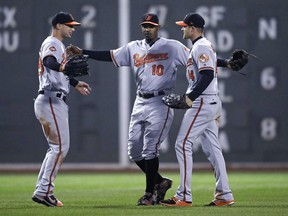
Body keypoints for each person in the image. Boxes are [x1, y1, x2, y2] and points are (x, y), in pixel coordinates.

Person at [66, 13, 233, 206]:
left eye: (151, 25)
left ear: (158, 27)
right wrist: (83, 52)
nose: (147, 28)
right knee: (135, 151)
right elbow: (110, 55)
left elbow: (202, 61)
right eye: (144, 25)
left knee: (160, 147)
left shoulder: (173, 46)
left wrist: (224, 64)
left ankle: (157, 194)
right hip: (141, 100)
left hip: (163, 101)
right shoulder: (133, 47)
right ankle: (168, 184)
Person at [160, 13, 235, 207]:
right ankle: (224, 194)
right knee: (213, 149)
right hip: (210, 102)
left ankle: (184, 195)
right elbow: (211, 64)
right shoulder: (202, 46)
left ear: (193, 28)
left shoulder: (201, 46)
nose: (182, 29)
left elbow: (207, 74)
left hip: (202, 101)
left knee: (182, 143)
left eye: (184, 26)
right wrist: (227, 63)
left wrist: (190, 97)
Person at [32, 11, 92, 207]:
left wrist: (74, 82)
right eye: (69, 25)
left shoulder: (58, 45)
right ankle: (44, 191)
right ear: (58, 25)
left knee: (56, 148)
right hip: (51, 100)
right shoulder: (53, 43)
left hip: (50, 99)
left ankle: (42, 189)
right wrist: (63, 68)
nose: (72, 29)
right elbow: (50, 62)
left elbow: (57, 71)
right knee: (60, 148)